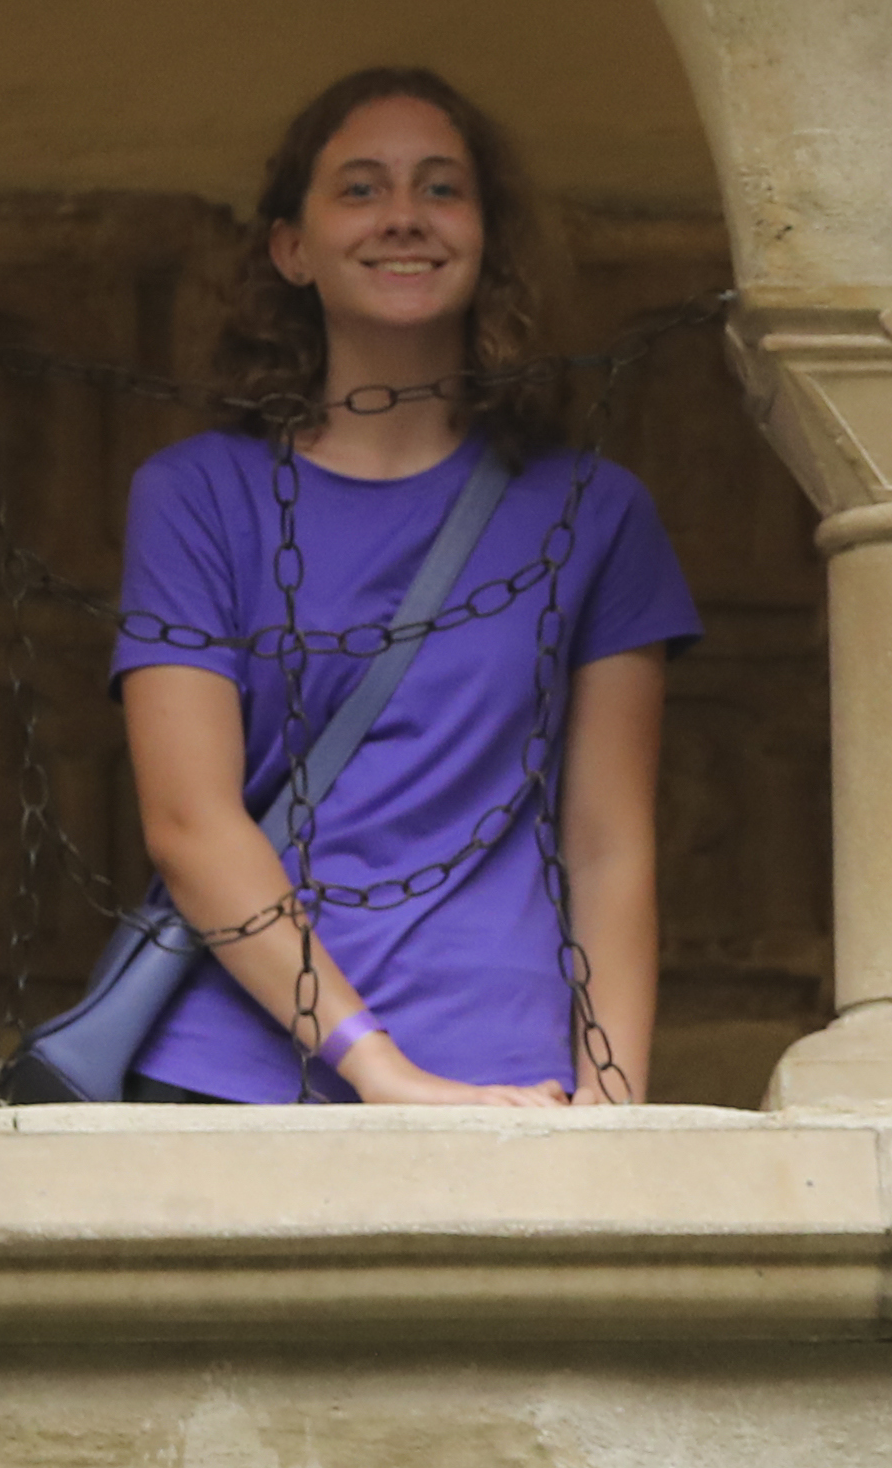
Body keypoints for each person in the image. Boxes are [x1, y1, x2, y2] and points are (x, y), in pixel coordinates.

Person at [115, 66, 697, 1106]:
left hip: (508, 1076)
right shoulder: (196, 495)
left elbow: (610, 844)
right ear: (290, 248)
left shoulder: (594, 511)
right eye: (358, 188)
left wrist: (617, 1109)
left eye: (440, 188)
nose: (403, 218)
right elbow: (188, 820)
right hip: (233, 1071)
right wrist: (383, 1075)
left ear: (487, 237)